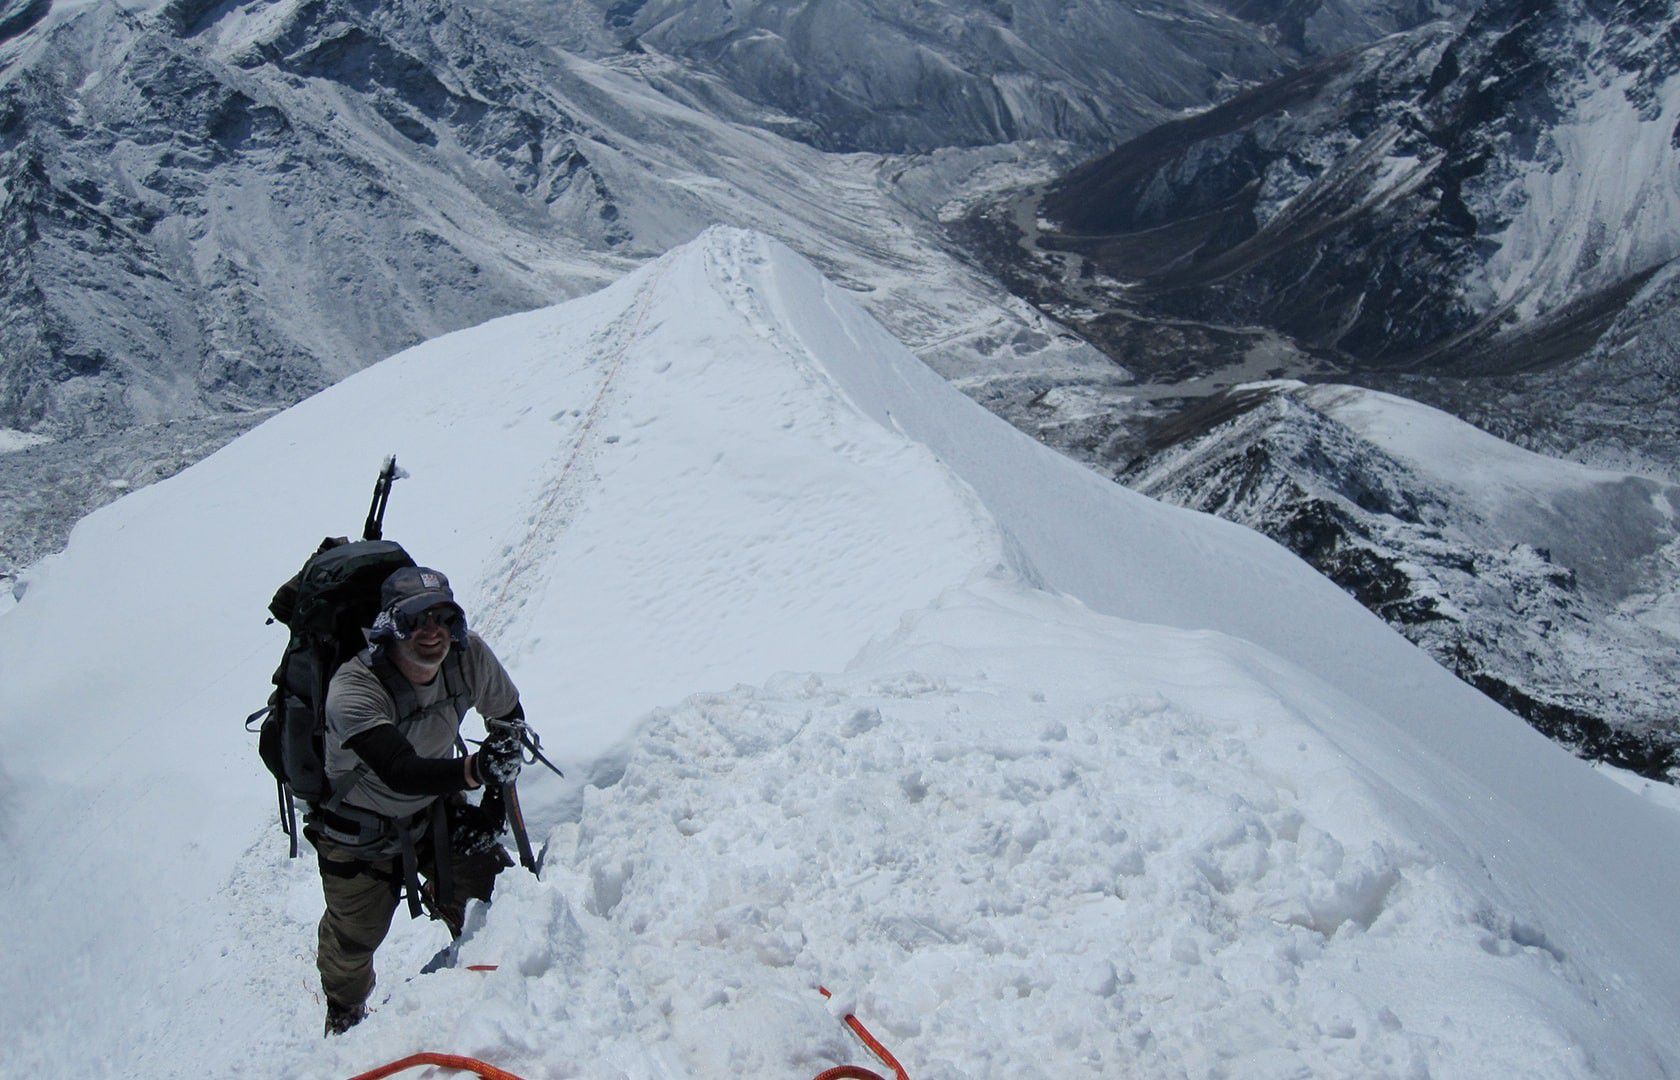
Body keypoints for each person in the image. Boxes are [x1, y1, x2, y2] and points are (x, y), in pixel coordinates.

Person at [307, 565, 527, 1035]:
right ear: (389, 627)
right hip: (358, 833)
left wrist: (490, 806)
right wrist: (476, 771)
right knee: (353, 941)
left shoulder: (467, 659)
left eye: (445, 619)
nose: (434, 632)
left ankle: (483, 980)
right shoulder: (353, 689)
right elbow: (400, 770)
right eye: (417, 619)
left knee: (494, 893)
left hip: (434, 811)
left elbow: (508, 718)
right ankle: (345, 1017)